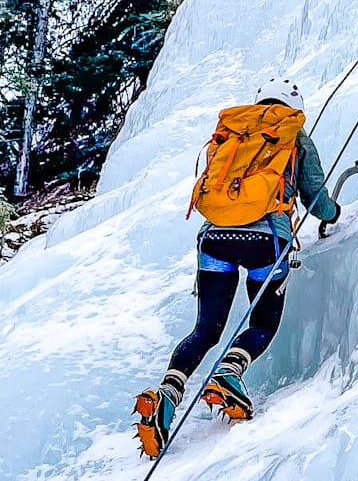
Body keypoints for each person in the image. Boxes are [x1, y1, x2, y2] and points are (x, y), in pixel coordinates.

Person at [134, 74, 340, 456]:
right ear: (293, 109)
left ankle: (166, 393)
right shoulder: (294, 137)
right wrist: (334, 213)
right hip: (267, 241)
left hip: (215, 240)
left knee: (206, 330)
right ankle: (230, 371)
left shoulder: (233, 133)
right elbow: (316, 198)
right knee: (262, 322)